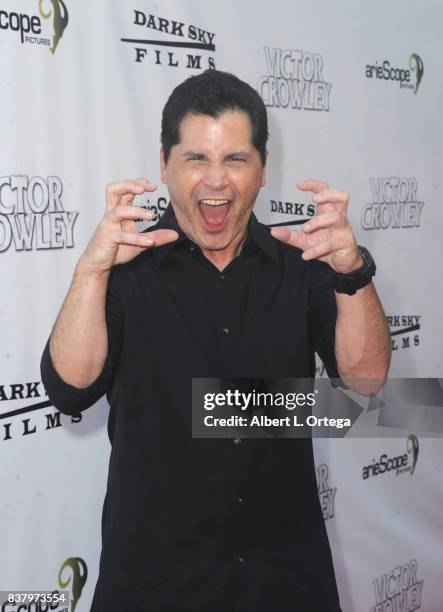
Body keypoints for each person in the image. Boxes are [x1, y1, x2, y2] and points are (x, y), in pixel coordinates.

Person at [41, 69, 391, 611]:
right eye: (196, 158)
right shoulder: (125, 269)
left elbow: (367, 381)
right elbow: (70, 390)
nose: (215, 180)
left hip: (286, 580)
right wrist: (90, 273)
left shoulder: (305, 263)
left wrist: (351, 272)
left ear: (262, 169)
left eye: (235, 159)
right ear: (164, 164)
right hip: (155, 583)